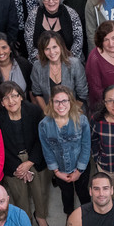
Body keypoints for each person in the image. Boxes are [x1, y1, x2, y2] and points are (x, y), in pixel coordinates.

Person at [0, 83, 51, 226]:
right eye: (6, 98)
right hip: (11, 161)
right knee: (19, 194)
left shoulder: (34, 111)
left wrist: (30, 162)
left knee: (40, 190)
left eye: (14, 95)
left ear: (21, 96)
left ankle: (40, 216)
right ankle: (25, 220)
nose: (11, 101)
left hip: (34, 157)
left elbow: (41, 138)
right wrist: (17, 167)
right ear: (1, 102)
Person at [39, 85, 91, 215]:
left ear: (70, 102)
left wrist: (79, 171)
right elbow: (47, 151)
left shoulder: (82, 120)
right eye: (57, 101)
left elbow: (86, 147)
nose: (60, 105)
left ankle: (88, 216)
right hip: (60, 169)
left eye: (64, 101)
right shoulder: (44, 125)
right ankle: (70, 215)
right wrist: (57, 172)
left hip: (81, 167)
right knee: (66, 194)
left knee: (83, 192)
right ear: (51, 102)